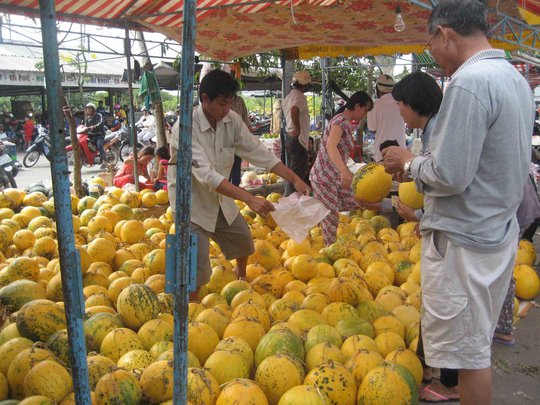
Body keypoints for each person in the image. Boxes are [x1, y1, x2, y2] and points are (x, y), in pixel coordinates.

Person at [382, 2, 535, 404]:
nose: (431, 50)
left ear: (446, 34)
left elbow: (450, 174)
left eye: (430, 41)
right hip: (494, 233)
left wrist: (411, 162)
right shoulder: (513, 78)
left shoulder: (470, 83)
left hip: (465, 242)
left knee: (469, 356)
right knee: (474, 350)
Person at [167, 69, 310, 301]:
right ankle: (191, 311)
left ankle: (240, 280)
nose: (227, 110)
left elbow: (257, 151)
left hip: (221, 198)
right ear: (205, 99)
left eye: (230, 104)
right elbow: (206, 176)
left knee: (243, 240)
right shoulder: (185, 128)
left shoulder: (230, 120)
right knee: (196, 268)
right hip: (192, 206)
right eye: (222, 104)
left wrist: (294, 178)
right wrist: (249, 198)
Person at [310, 91, 373, 246]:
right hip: (324, 178)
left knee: (357, 199)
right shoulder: (340, 122)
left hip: (334, 177)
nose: (364, 115)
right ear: (357, 106)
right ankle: (329, 253)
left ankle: (319, 224)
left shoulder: (345, 122)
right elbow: (331, 146)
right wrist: (344, 170)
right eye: (365, 110)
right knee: (331, 219)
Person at [282, 70, 311, 195]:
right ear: (306, 85)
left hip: (290, 137)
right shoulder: (299, 97)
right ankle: (291, 201)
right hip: (298, 140)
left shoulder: (289, 96)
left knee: (291, 173)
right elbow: (294, 110)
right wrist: (297, 128)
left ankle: (290, 199)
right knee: (296, 175)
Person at [367, 74, 406, 162]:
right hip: (401, 150)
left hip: (381, 152)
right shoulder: (401, 103)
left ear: (377, 89)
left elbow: (372, 129)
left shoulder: (374, 105)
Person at [229, 94, 253, 186]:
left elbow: (245, 117)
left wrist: (249, 132)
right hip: (225, 139)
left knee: (236, 164)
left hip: (238, 137)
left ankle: (235, 187)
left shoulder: (239, 100)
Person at [83, 102, 107, 169]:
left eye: (90, 109)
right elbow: (85, 125)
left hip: (99, 134)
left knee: (99, 146)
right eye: (87, 109)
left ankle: (104, 161)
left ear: (93, 109)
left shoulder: (99, 115)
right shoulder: (87, 118)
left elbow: (100, 122)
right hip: (91, 135)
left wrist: (95, 126)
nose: (88, 110)